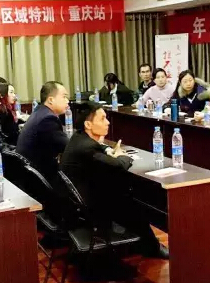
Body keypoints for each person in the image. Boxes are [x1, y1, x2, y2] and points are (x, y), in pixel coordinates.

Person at [60, 102, 168, 259]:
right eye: (102, 119)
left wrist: (108, 150)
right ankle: (152, 248)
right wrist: (123, 155)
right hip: (86, 209)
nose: (108, 122)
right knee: (132, 204)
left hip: (76, 201)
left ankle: (142, 244)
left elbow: (99, 147)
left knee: (124, 191)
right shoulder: (86, 147)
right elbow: (119, 165)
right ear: (88, 124)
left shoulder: (79, 138)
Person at [17, 81, 70, 180]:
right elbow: (69, 148)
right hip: (38, 179)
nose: (67, 101)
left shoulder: (40, 112)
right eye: (64, 97)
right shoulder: (48, 119)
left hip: (28, 173)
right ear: (51, 100)